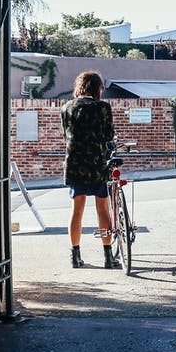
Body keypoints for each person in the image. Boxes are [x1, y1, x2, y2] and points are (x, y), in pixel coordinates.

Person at [60, 71, 119, 269]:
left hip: (75, 164)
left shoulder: (66, 107)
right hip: (97, 164)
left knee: (77, 210)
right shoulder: (103, 107)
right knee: (103, 209)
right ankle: (108, 257)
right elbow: (109, 134)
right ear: (97, 89)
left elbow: (66, 135)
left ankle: (75, 256)